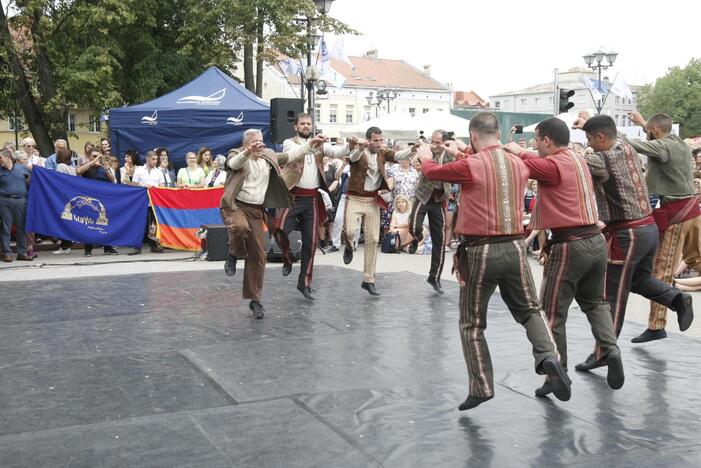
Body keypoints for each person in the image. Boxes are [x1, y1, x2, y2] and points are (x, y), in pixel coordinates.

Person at [417, 112, 570, 410]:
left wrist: (425, 157)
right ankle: (549, 356)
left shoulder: (470, 164)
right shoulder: (518, 163)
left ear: (473, 135)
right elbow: (494, 164)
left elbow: (433, 174)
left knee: (472, 324)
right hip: (514, 247)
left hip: (481, 251)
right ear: (497, 134)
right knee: (529, 310)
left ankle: (482, 386)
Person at [502, 117, 623, 397]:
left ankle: (557, 374)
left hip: (570, 245)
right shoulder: (579, 158)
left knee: (552, 313)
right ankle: (611, 349)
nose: (534, 144)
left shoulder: (553, 165)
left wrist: (510, 149)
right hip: (595, 239)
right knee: (595, 302)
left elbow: (523, 164)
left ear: (546, 141)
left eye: (537, 140)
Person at [573, 114, 693, 372]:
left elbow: (575, 164)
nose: (590, 144)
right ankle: (676, 298)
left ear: (602, 137)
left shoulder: (601, 158)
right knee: (638, 280)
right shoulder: (627, 147)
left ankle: (605, 351)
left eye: (591, 139)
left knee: (612, 295)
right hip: (648, 227)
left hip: (628, 234)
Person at [219, 128, 323, 318]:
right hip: (236, 205)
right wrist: (248, 152)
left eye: (261, 140)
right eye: (254, 142)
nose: (259, 144)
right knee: (240, 227)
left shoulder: (268, 155)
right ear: (245, 144)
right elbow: (233, 163)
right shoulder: (237, 154)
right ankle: (233, 253)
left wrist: (310, 144)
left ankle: (255, 299)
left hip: (256, 210)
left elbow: (290, 154)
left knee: (259, 255)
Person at [623, 111, 700, 343]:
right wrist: (642, 122)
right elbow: (660, 132)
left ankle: (657, 326)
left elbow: (632, 144)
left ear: (655, 132)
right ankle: (656, 325)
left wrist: (606, 132)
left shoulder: (663, 147)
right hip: (692, 212)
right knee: (697, 260)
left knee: (662, 271)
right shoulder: (680, 143)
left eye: (649, 130)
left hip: (676, 214)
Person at [272, 113, 351, 300]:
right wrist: (312, 144)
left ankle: (305, 283)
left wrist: (351, 145)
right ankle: (287, 257)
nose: (306, 126)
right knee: (279, 230)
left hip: (312, 198)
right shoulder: (289, 142)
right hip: (292, 196)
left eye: (309, 123)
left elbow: (338, 153)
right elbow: (296, 153)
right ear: (296, 126)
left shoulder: (320, 144)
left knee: (311, 243)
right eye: (303, 124)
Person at [342, 126, 412, 296]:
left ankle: (368, 280)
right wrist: (359, 147)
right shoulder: (359, 151)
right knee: (350, 232)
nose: (379, 143)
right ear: (368, 140)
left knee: (373, 239)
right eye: (375, 140)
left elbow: (399, 156)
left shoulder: (382, 152)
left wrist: (413, 150)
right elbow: (352, 158)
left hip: (372, 200)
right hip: (355, 198)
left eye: (381, 140)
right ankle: (349, 246)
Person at [406, 130, 455, 294]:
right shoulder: (426, 150)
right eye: (433, 141)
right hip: (424, 195)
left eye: (438, 142)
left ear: (444, 142)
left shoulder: (449, 154)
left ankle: (434, 277)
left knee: (439, 241)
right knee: (413, 227)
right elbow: (415, 158)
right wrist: (417, 155)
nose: (435, 145)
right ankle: (416, 238)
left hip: (439, 199)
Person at [77, 149, 119, 256]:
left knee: (104, 222)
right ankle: (88, 249)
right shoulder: (87, 165)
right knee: (89, 224)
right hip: (89, 199)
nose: (96, 158)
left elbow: (113, 181)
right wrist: (92, 162)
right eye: (94, 156)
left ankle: (108, 248)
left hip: (103, 199)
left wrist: (107, 170)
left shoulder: (103, 167)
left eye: (98, 156)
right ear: (89, 156)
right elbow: (78, 171)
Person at [129, 150, 165, 255]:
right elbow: (133, 185)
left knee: (154, 223)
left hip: (154, 201)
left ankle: (154, 245)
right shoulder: (139, 170)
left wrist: (155, 189)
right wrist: (144, 186)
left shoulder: (159, 172)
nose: (155, 161)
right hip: (141, 201)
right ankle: (136, 246)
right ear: (147, 158)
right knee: (140, 223)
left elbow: (162, 187)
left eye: (156, 160)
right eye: (153, 159)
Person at [0, 149, 33, 262]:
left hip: (21, 201)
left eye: (1, 158)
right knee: (6, 228)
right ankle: (7, 254)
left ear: (8, 157)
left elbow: (30, 181)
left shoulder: (21, 168)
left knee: (22, 227)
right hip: (4, 201)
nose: (0, 160)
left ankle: (21, 253)